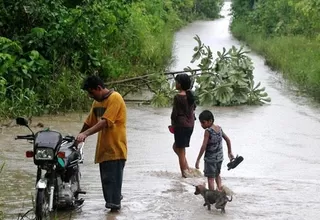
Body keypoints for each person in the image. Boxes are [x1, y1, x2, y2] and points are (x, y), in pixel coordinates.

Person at [76, 75, 127, 212]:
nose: (90, 96)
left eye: (91, 92)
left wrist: (85, 134)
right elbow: (89, 122)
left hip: (115, 151)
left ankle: (115, 213)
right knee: (108, 187)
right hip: (104, 151)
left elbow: (105, 122)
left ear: (99, 88)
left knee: (113, 197)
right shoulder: (97, 103)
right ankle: (115, 210)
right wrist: (78, 138)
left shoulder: (115, 98)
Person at [195, 110, 234, 191]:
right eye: (201, 123)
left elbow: (203, 146)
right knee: (217, 175)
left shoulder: (208, 131)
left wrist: (198, 159)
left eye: (203, 122)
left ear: (210, 121)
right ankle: (219, 190)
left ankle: (212, 195)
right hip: (219, 158)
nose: (201, 125)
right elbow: (228, 140)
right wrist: (229, 153)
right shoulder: (219, 129)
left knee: (210, 178)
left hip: (210, 159)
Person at [170, 73, 196, 178]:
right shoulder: (191, 96)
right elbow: (193, 110)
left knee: (180, 150)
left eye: (176, 82)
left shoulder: (178, 97)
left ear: (180, 85)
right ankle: (187, 169)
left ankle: (184, 175)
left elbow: (174, 114)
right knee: (177, 147)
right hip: (190, 125)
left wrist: (172, 124)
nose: (175, 84)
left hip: (180, 125)